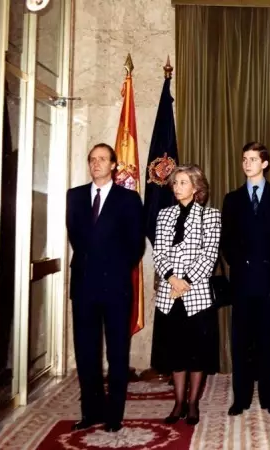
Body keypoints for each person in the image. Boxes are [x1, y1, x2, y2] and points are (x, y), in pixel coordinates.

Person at [66, 143, 144, 432]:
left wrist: (111, 267)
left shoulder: (128, 199)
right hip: (84, 285)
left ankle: (114, 415)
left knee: (117, 353)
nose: (96, 163)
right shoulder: (73, 197)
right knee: (86, 352)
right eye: (92, 159)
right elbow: (76, 238)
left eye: (102, 159)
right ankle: (91, 411)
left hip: (115, 286)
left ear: (114, 165)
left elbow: (135, 245)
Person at [221, 142, 270, 416]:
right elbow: (226, 241)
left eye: (253, 159)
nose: (247, 164)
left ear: (264, 164)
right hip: (242, 279)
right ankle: (241, 398)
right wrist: (241, 262)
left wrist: (265, 262)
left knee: (268, 340)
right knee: (242, 341)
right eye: (244, 159)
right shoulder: (232, 199)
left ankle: (267, 397)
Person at [151, 164, 221, 426]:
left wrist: (186, 282)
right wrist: (171, 278)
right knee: (175, 352)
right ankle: (178, 401)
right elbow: (159, 252)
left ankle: (193, 404)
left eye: (183, 182)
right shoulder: (164, 215)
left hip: (196, 294)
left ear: (196, 187)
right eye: (175, 183)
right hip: (170, 295)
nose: (177, 187)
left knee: (196, 353)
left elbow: (209, 254)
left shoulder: (210, 215)